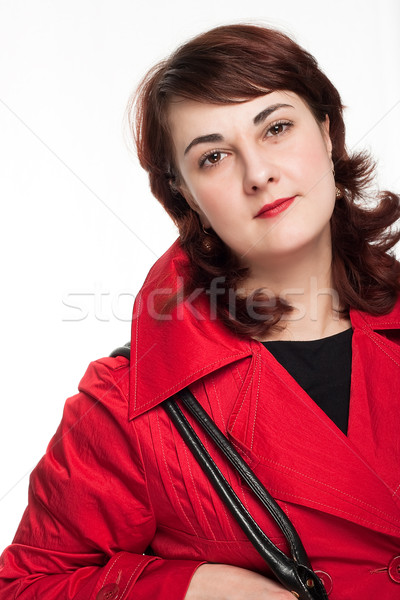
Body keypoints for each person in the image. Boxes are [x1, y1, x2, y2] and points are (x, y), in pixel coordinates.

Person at [1, 23, 400, 600]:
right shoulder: (127, 407)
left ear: (328, 131)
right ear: (185, 195)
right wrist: (188, 588)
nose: (258, 173)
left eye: (278, 128)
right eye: (213, 157)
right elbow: (25, 587)